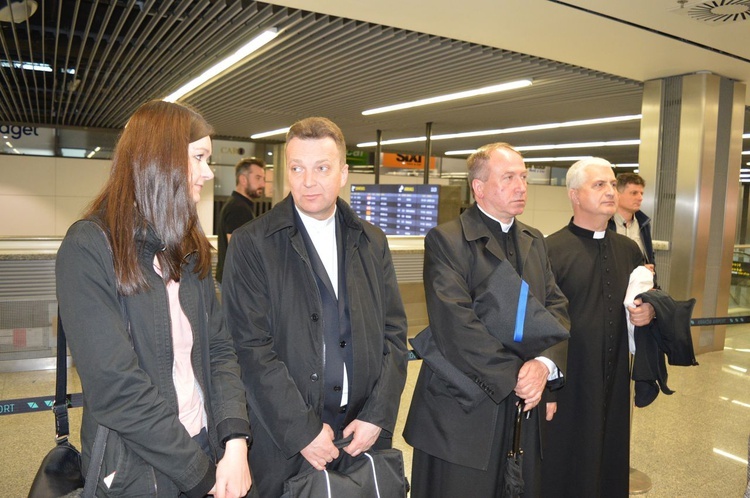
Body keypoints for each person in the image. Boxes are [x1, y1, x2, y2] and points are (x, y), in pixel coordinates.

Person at [56, 100, 253, 498]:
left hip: (208, 444)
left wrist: (234, 441)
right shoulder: (89, 248)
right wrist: (200, 475)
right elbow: (117, 389)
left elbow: (219, 350)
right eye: (198, 157)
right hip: (136, 470)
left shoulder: (189, 245)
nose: (208, 172)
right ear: (160, 158)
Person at [222, 116, 408, 497]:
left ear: (342, 173)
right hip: (285, 441)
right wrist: (302, 430)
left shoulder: (371, 242)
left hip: (361, 436)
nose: (309, 181)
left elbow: (394, 335)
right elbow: (251, 348)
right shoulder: (253, 244)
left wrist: (378, 414)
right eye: (297, 168)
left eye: (322, 168)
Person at [403, 143, 570, 497]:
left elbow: (555, 306)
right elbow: (455, 324)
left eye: (523, 177)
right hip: (461, 410)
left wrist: (542, 365)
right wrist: (517, 376)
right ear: (479, 187)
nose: (521, 186)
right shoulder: (447, 240)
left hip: (521, 407)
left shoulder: (533, 240)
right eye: (509, 177)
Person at [542, 157, 656, 498]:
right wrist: (546, 390)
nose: (610, 192)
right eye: (599, 185)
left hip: (616, 374)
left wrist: (649, 310)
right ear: (575, 195)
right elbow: (537, 325)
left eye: (611, 184)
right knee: (566, 459)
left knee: (610, 454)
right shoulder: (549, 250)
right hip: (568, 380)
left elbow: (649, 297)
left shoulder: (628, 249)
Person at [215, 157, 266, 284]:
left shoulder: (238, 204)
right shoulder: (239, 208)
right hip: (237, 283)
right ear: (243, 179)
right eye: (258, 178)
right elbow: (238, 251)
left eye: (263, 179)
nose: (263, 184)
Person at [608, 172, 655, 272]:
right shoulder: (605, 224)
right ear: (617, 195)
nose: (640, 198)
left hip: (640, 285)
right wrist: (639, 269)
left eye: (641, 193)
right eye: (634, 193)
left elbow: (649, 257)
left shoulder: (644, 224)